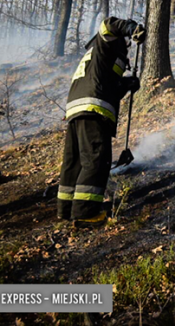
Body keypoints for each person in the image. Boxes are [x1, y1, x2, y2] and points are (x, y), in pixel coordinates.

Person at [57, 17, 145, 227]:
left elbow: (106, 85)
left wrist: (126, 84)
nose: (128, 45)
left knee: (75, 160)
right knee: (96, 159)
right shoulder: (107, 41)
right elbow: (108, 23)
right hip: (93, 108)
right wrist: (132, 28)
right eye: (128, 41)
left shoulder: (97, 54)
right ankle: (86, 213)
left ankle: (67, 208)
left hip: (77, 108)